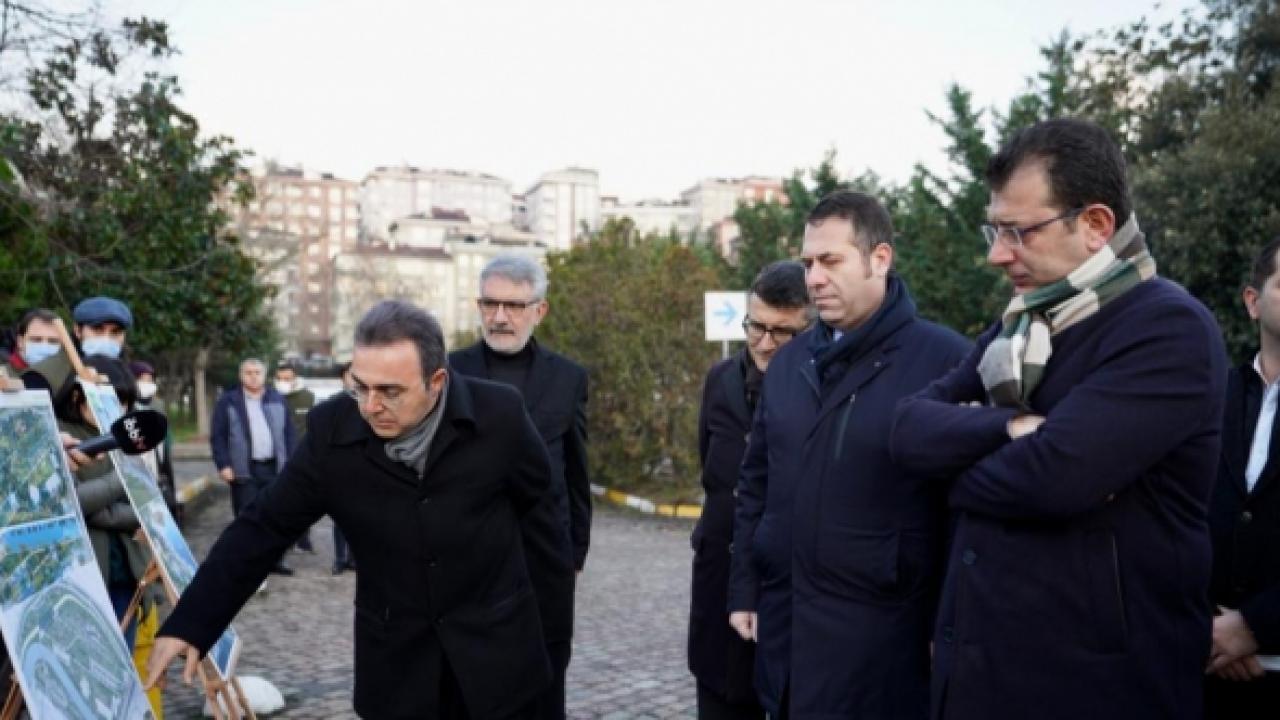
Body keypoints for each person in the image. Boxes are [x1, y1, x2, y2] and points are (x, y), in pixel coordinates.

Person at [890, 118, 1228, 720]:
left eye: (1017, 232)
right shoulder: (1019, 327)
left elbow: (1051, 479)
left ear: (1095, 225)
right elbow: (907, 429)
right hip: (981, 676)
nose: (996, 255)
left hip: (1095, 689)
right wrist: (1005, 429)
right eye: (994, 230)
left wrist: (948, 469)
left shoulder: (1168, 328)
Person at [146, 300, 573, 718]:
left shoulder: (500, 416)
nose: (369, 406)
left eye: (390, 392)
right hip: (398, 670)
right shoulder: (332, 431)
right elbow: (262, 528)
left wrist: (553, 638)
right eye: (360, 386)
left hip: (498, 659)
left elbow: (542, 520)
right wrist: (191, 623)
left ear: (437, 381)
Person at [728, 191, 971, 718]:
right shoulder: (789, 363)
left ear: (879, 259)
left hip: (882, 651)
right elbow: (756, 484)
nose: (814, 278)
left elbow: (963, 514)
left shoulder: (947, 362)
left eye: (830, 261)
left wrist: (949, 626)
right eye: (808, 263)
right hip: (786, 641)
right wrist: (745, 586)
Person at [448, 254, 590, 720]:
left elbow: (576, 471)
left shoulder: (568, 377)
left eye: (512, 305)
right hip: (469, 563)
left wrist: (575, 551)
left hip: (545, 564)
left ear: (539, 310)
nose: (499, 316)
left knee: (545, 691)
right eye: (490, 304)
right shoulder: (449, 372)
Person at [688, 261, 810, 720]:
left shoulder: (819, 389)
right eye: (755, 326)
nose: (764, 342)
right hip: (718, 579)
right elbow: (713, 471)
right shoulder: (720, 380)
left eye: (782, 332)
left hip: (784, 592)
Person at [1204, 237, 1280, 717]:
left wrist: (1254, 625)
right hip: (1203, 673)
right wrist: (1211, 625)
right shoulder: (1208, 399)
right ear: (1253, 302)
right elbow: (1165, 515)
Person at [209, 357, 296, 575]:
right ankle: (248, 562)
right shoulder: (228, 401)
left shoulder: (277, 399)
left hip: (274, 468)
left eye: (257, 372)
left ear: (264, 376)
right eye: (248, 373)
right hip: (244, 469)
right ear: (241, 376)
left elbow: (289, 434)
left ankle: (275, 560)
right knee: (247, 518)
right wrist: (223, 464)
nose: (253, 377)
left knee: (276, 516)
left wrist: (291, 463)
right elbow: (218, 436)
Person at [275, 361, 317, 553]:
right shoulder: (271, 397)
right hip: (277, 456)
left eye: (288, 379)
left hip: (301, 456)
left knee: (303, 499)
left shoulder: (308, 397)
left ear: (295, 378)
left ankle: (303, 538)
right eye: (280, 379)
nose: (284, 382)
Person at [330, 361, 357, 575]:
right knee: (340, 517)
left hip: (364, 468)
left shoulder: (374, 402)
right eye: (350, 374)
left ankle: (355, 558)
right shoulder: (334, 404)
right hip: (341, 466)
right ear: (343, 378)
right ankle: (340, 558)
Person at [2, 307, 61, 375]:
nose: (45, 347)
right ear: (20, 342)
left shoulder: (64, 375)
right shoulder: (4, 375)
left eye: (53, 341)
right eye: (36, 340)